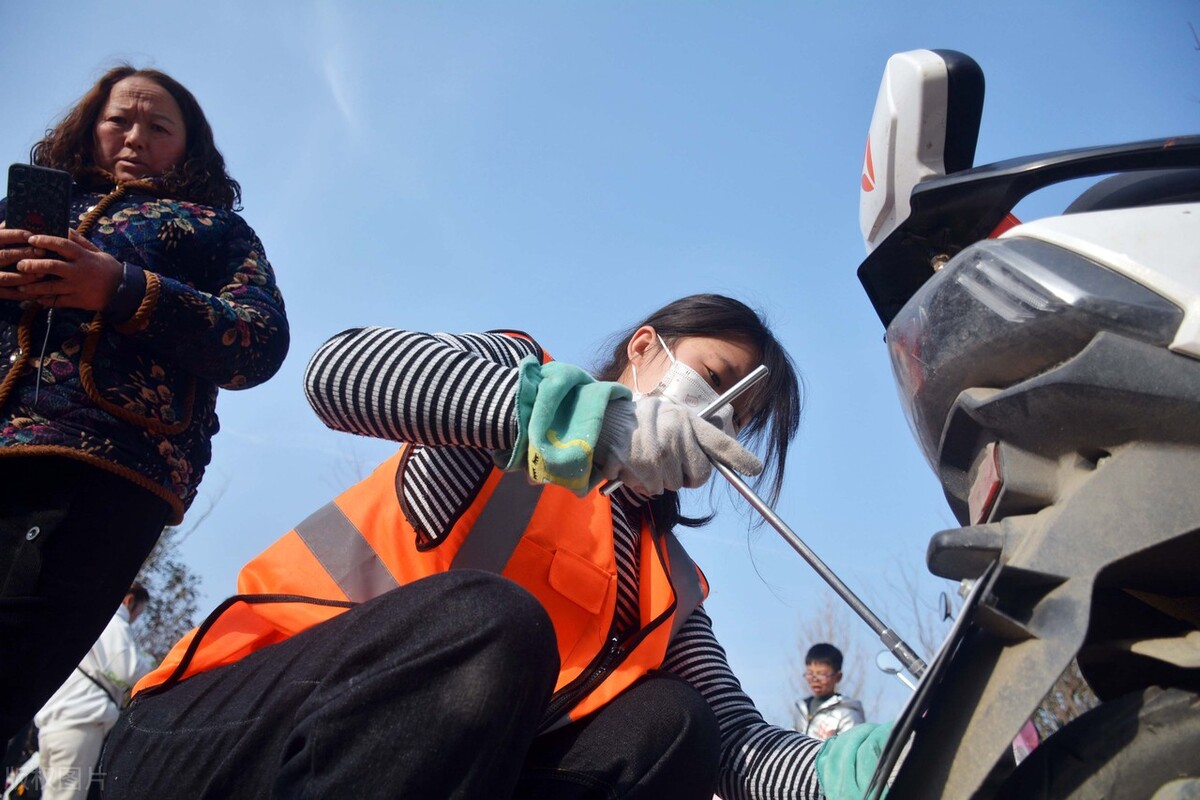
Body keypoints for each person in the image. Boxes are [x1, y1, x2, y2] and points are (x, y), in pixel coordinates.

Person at [101, 294, 889, 799]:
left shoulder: (667, 585)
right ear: (645, 347)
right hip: (215, 738)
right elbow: (337, 372)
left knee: (675, 723)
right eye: (713, 380)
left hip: (401, 777)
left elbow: (736, 746)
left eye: (737, 420)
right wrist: (578, 423)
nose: (715, 419)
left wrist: (867, 768)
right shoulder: (508, 397)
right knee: (496, 619)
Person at [0, 65, 289, 740]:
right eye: (118, 120)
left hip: (100, 472)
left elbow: (258, 341)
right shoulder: (25, 213)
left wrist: (121, 288)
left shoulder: (217, 232)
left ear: (188, 147)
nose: (135, 137)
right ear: (87, 128)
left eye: (158, 126)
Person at [34, 583, 154, 800]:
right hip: (79, 722)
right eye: (139, 611)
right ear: (129, 601)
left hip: (54, 722)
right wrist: (150, 662)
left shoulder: (89, 617)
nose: (137, 617)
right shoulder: (115, 622)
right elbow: (129, 670)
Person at [797, 643, 866, 742]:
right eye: (810, 673)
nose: (815, 679)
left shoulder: (848, 713)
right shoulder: (801, 708)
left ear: (838, 676)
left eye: (822, 674)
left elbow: (850, 749)